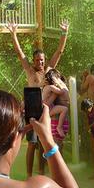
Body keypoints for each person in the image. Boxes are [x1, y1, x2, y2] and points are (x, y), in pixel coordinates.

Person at [6, 20, 69, 177]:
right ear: (33, 61)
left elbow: (59, 52)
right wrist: (13, 34)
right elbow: (20, 54)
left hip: (46, 110)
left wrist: (64, 33)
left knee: (44, 142)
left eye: (42, 59)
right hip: (32, 109)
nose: (39, 62)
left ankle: (41, 171)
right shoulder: (30, 71)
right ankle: (28, 174)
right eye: (37, 60)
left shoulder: (49, 70)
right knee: (32, 143)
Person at [42, 69, 70, 142]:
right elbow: (48, 103)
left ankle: (59, 127)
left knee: (59, 146)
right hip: (54, 117)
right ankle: (59, 127)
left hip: (59, 117)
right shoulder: (52, 88)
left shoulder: (52, 86)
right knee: (56, 146)